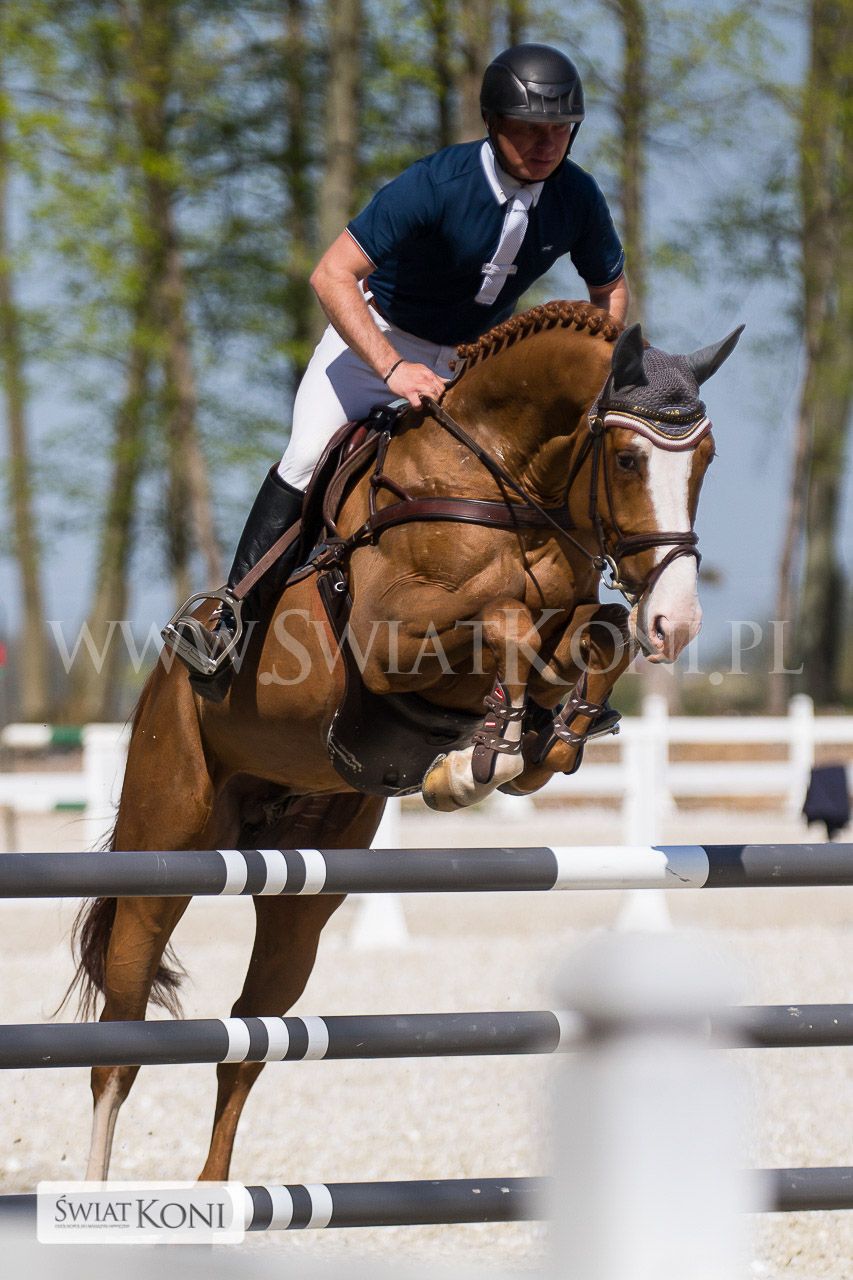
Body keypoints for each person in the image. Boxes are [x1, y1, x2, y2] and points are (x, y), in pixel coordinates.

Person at [167, 42, 630, 702]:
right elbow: (331, 275)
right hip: (375, 339)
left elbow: (609, 288)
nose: (545, 144)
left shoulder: (576, 196)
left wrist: (601, 371)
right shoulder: (436, 184)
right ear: (493, 123)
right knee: (305, 458)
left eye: (560, 130)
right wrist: (391, 368)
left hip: (471, 359)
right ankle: (231, 620)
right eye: (530, 129)